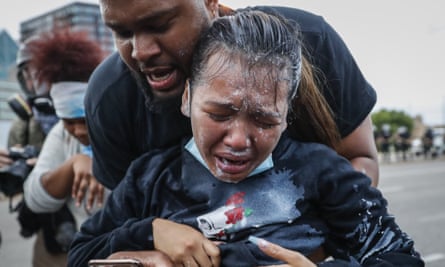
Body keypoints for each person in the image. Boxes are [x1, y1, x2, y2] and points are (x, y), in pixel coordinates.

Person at [68, 10, 422, 267]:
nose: (238, 140)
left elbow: (399, 257)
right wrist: (147, 237)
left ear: (287, 113)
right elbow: (81, 254)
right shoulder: (148, 179)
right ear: (187, 98)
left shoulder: (320, 172)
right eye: (219, 114)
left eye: (264, 119)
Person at [85, 0, 379, 191]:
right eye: (121, 32)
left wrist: (307, 249)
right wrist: (155, 236)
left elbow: (359, 159)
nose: (140, 51)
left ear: (210, 3)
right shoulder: (109, 98)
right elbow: (122, 218)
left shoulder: (306, 41)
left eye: (159, 25)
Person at [21, 29, 106, 267]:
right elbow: (35, 198)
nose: (78, 131)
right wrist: (73, 164)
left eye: (85, 120)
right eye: (70, 122)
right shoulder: (61, 135)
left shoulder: (121, 128)